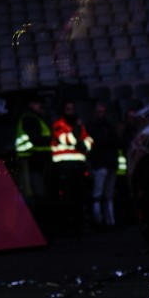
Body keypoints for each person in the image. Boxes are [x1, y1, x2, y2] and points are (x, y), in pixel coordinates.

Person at [51, 100, 93, 235]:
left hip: (79, 166)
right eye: (67, 108)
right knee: (67, 197)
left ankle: (80, 225)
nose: (70, 111)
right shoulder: (59, 124)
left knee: (81, 196)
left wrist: (84, 144)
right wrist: (78, 138)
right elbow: (66, 139)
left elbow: (89, 140)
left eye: (72, 108)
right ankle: (68, 227)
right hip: (64, 166)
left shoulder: (79, 124)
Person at [13, 95, 53, 225]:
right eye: (38, 104)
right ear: (32, 104)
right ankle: (35, 223)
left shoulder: (34, 118)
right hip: (30, 161)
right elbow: (35, 139)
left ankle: (36, 222)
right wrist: (51, 139)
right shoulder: (30, 118)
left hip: (35, 160)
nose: (41, 107)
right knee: (34, 192)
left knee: (36, 191)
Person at [86, 100, 120, 228]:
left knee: (109, 194)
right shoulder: (91, 125)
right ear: (95, 111)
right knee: (98, 193)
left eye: (103, 110)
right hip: (99, 163)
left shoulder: (109, 125)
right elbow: (99, 141)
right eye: (99, 110)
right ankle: (98, 220)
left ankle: (110, 220)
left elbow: (115, 141)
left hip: (110, 162)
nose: (101, 112)